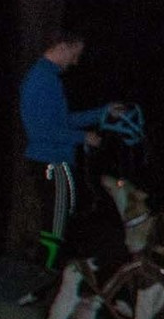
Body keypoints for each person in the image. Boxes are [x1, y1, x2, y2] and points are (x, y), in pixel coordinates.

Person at [18, 28, 124, 243]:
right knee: (56, 223)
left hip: (55, 159)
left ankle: (51, 268)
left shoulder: (49, 78)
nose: (76, 62)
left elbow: (62, 121)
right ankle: (47, 271)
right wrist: (82, 138)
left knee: (61, 219)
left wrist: (103, 112)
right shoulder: (43, 79)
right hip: (51, 160)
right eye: (75, 54)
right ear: (61, 47)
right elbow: (42, 130)